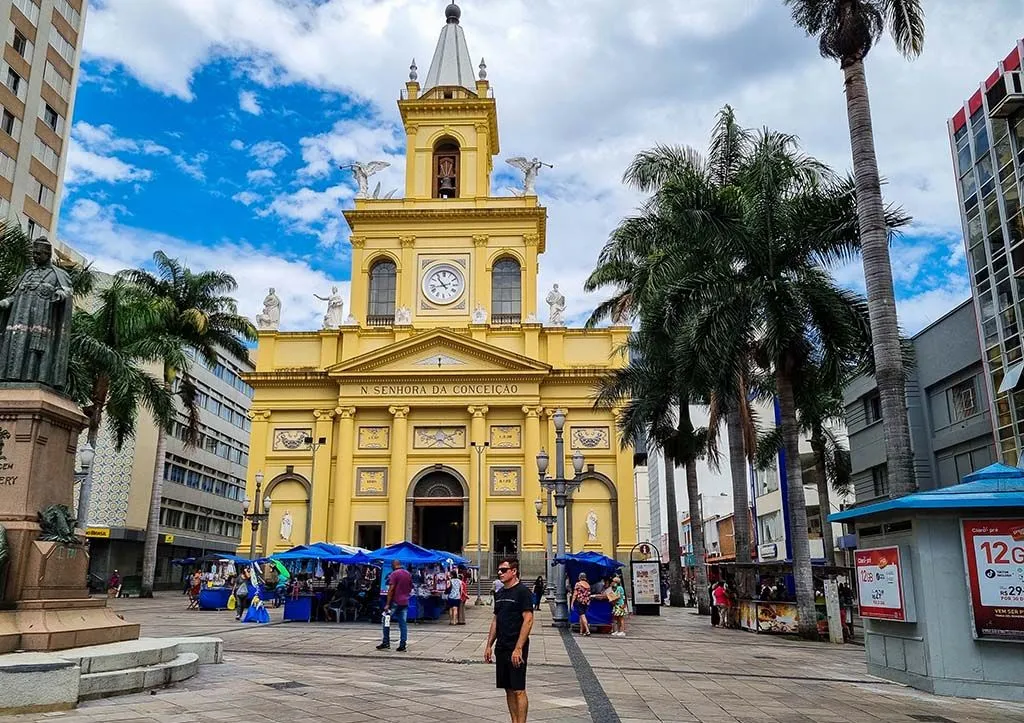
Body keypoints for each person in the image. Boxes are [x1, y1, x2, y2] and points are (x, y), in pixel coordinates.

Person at [485, 557, 534, 723]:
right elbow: (495, 620)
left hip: (516, 646)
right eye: (499, 570)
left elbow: (528, 620)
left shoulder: (523, 592)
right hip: (502, 647)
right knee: (508, 688)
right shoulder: (499, 593)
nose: (500, 573)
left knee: (519, 689)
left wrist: (519, 648)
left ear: (514, 571)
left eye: (504, 570)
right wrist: (488, 645)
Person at [377, 559, 412, 652]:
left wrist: (387, 604)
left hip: (395, 602)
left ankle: (386, 642)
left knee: (386, 621)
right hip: (405, 602)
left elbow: (391, 590)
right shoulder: (407, 574)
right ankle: (403, 644)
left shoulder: (394, 574)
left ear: (394, 565)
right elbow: (410, 587)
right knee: (403, 624)